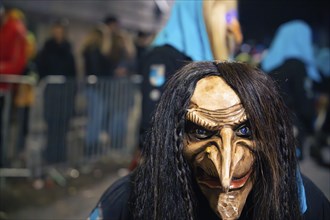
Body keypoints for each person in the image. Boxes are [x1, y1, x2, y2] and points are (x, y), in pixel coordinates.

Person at [88, 61, 330, 220]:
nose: (226, 176)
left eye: (245, 130)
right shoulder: (128, 200)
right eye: (202, 132)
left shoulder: (301, 201)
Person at [132, 0, 243, 170]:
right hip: (172, 166)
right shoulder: (162, 57)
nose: (231, 24)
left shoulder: (210, 61)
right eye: (227, 16)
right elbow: (152, 118)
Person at [261, 20, 321, 160]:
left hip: (269, 127)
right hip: (292, 129)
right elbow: (304, 100)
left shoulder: (269, 65)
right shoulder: (297, 65)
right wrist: (311, 121)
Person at [36, 19, 76, 163]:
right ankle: (50, 155)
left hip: (64, 94)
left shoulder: (68, 52)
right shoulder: (46, 50)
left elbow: (72, 74)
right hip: (52, 94)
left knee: (63, 127)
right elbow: (41, 69)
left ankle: (60, 156)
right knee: (52, 125)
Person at [0, 6, 27, 167]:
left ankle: (5, 164)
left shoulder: (16, 30)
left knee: (6, 130)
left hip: (8, 91)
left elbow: (17, 64)